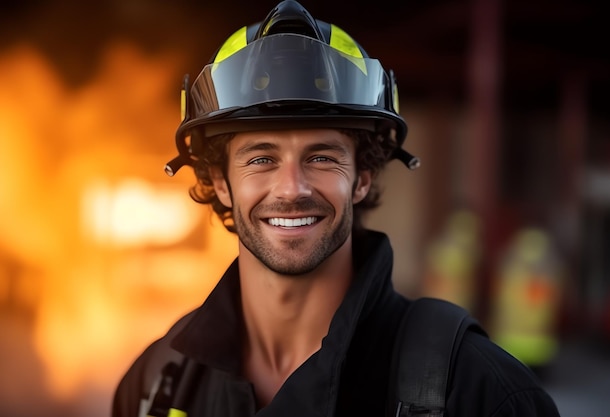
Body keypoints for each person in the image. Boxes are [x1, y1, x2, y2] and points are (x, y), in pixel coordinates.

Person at [112, 1, 561, 416]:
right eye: (261, 159)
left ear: (362, 177)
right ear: (219, 183)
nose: (292, 188)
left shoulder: (479, 390)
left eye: (322, 156)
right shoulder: (156, 383)